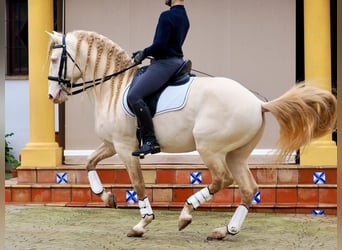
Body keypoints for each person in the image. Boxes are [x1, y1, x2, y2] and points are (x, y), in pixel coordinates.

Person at [127, 0, 190, 157]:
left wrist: (144, 52)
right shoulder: (185, 17)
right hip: (177, 62)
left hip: (165, 63)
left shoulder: (167, 15)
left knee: (134, 96)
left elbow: (160, 45)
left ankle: (150, 140)